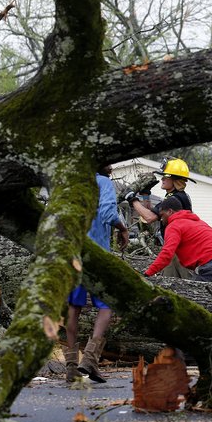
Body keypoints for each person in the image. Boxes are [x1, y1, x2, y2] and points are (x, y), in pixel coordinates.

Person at [66, 164, 129, 383]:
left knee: (74, 307)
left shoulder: (73, 184)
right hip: (96, 255)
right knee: (106, 305)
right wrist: (122, 228)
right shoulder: (103, 183)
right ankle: (91, 358)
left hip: (73, 252)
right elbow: (108, 213)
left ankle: (71, 367)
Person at [127, 157, 194, 276]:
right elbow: (150, 214)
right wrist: (145, 195)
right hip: (178, 249)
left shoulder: (175, 198)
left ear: (175, 179)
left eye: (166, 176)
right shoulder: (175, 196)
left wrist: (132, 199)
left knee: (177, 284)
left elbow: (149, 218)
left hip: (179, 251)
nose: (162, 178)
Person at [143, 197, 212, 282]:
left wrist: (147, 274)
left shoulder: (174, 226)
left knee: (196, 294)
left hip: (211, 264)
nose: (161, 219)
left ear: (170, 211)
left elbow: (167, 253)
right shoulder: (197, 221)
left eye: (162, 215)